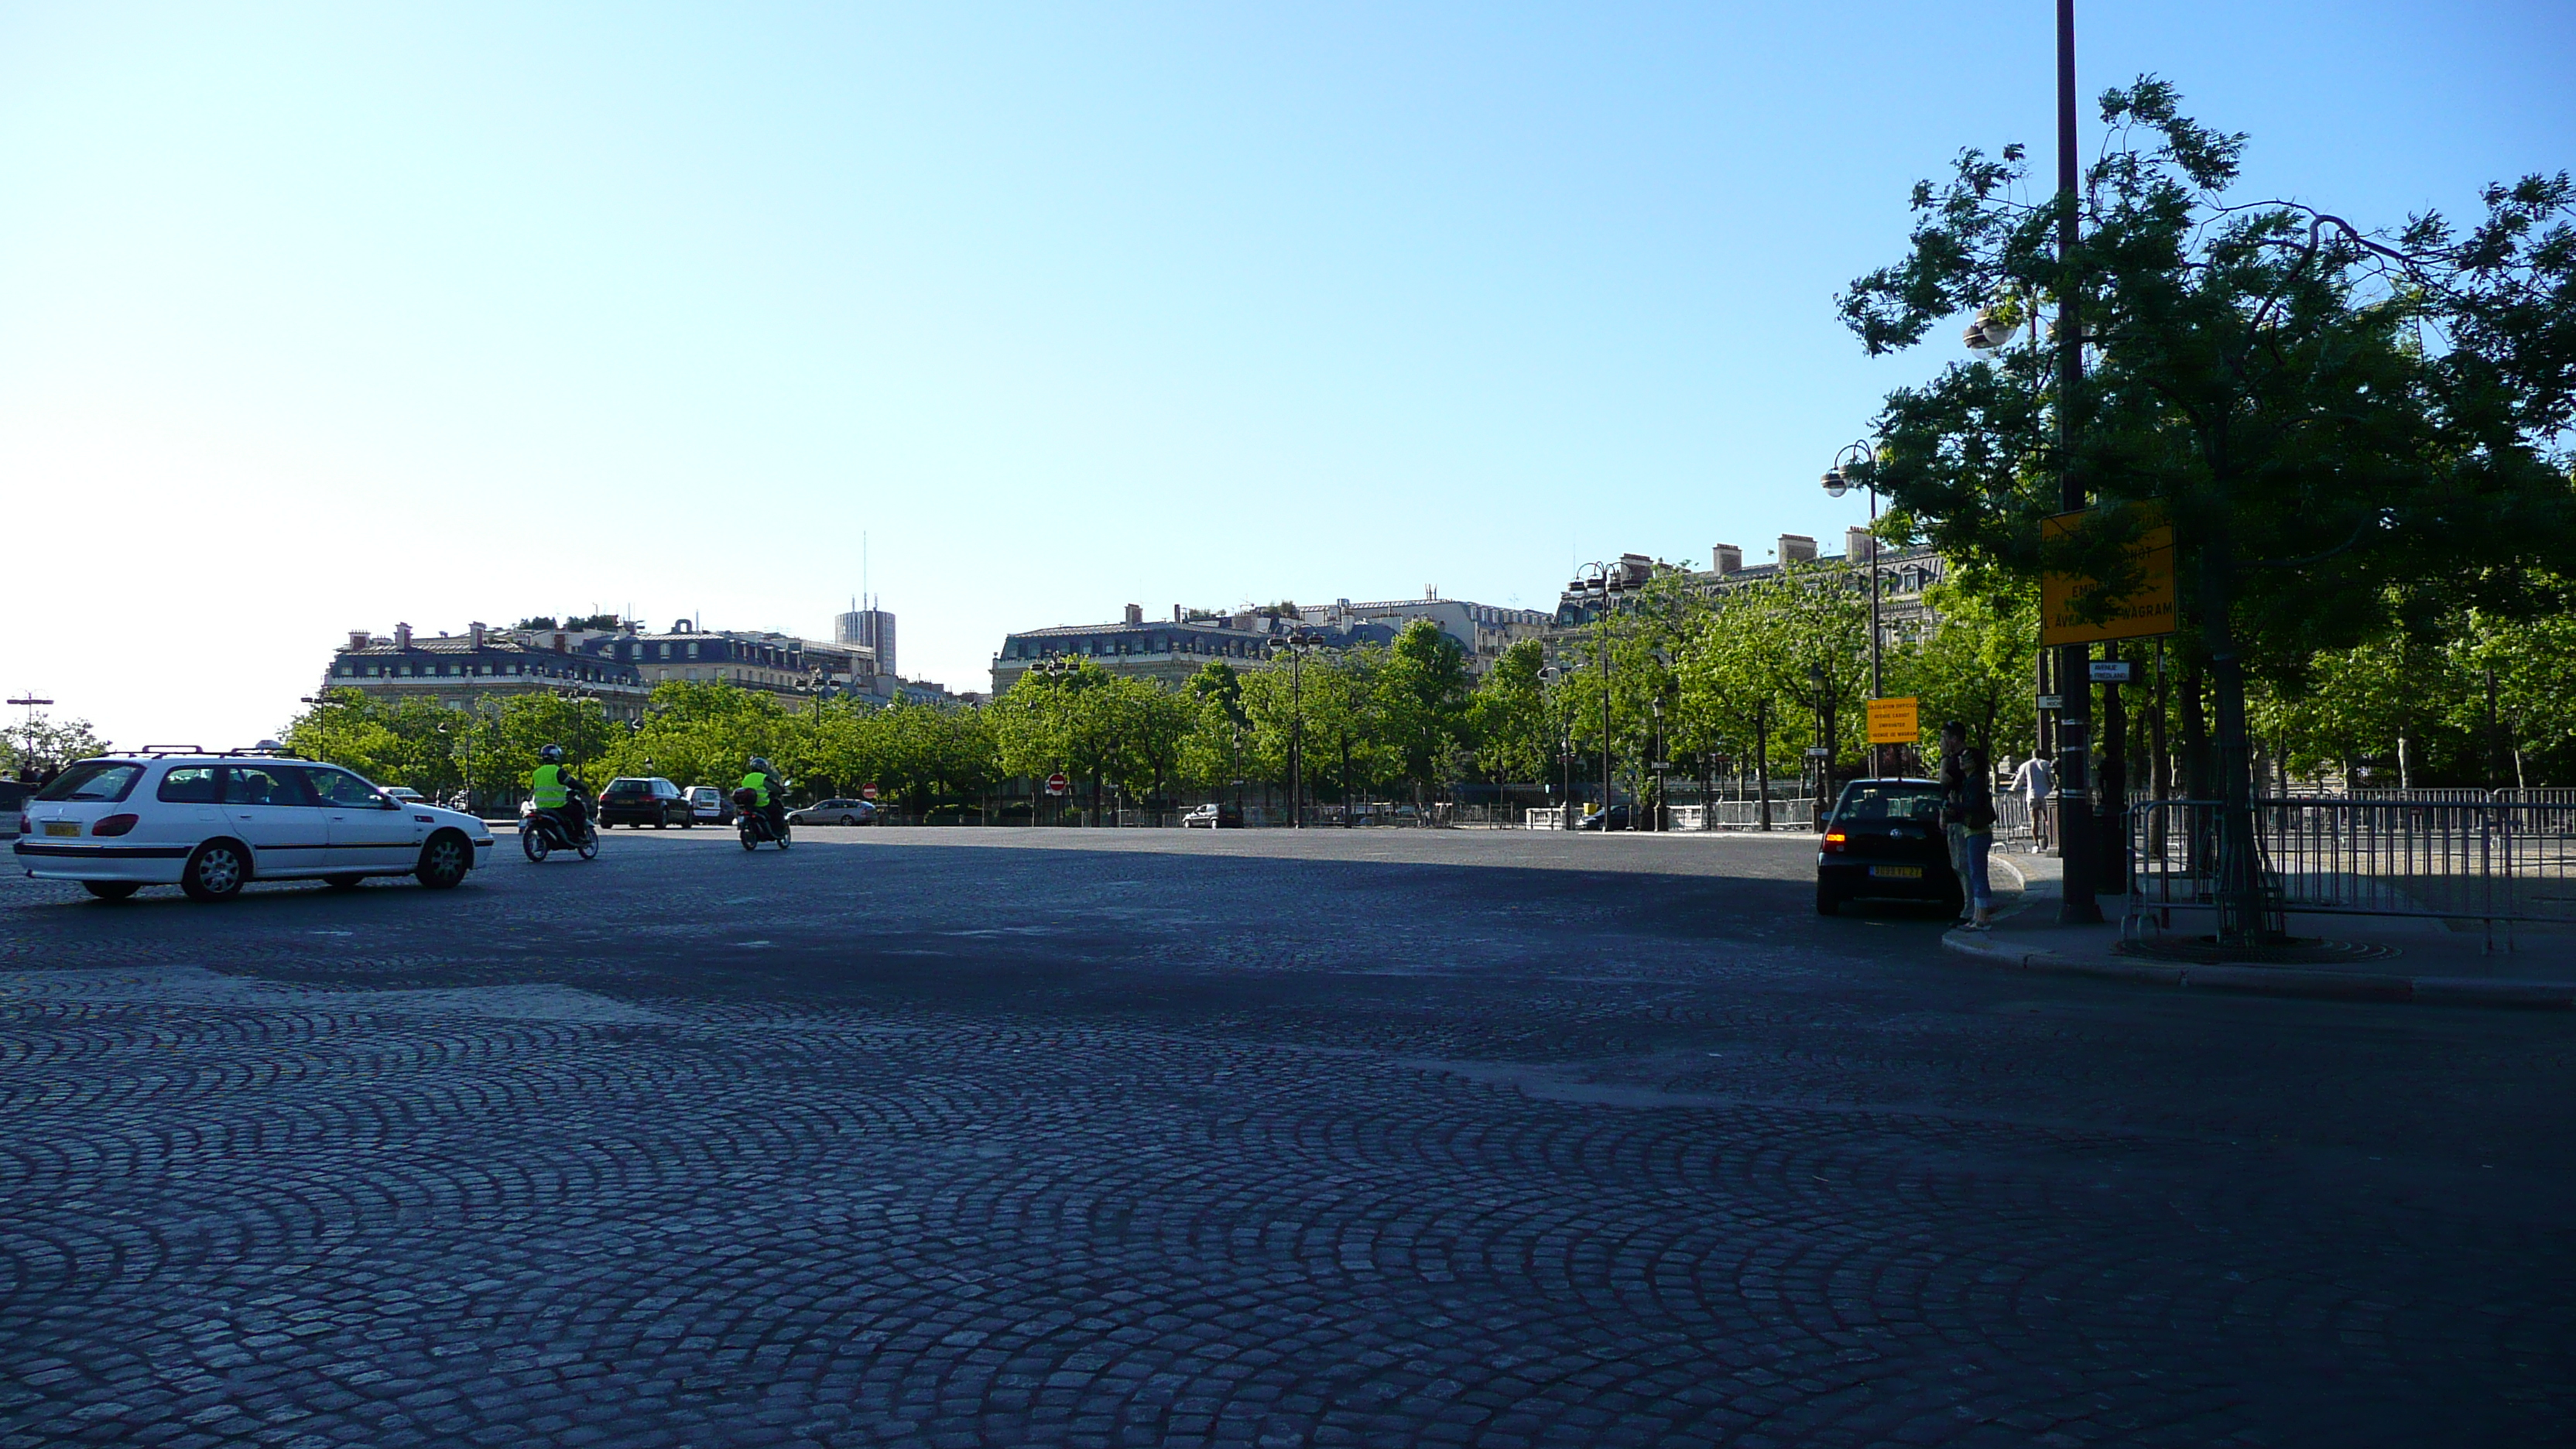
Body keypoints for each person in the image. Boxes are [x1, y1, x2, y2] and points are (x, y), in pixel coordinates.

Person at [528, 745, 591, 844]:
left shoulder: (536, 773)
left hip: (540, 806)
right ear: (556, 756)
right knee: (578, 812)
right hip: (557, 805)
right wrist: (583, 788)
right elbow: (571, 782)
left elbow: (535, 788)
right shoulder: (558, 771)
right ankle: (580, 836)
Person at [2011, 752, 2054, 846]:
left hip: (2032, 794)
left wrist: (2013, 789)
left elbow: (2019, 779)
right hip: (2046, 793)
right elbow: (2052, 778)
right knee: (2048, 819)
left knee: (2035, 820)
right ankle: (2052, 840)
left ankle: (2036, 844)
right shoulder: (2046, 764)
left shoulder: (2026, 765)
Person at [739, 755, 787, 838]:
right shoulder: (763, 778)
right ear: (762, 768)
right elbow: (774, 788)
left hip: (749, 805)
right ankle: (778, 831)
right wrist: (781, 790)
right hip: (763, 804)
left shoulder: (746, 778)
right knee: (777, 811)